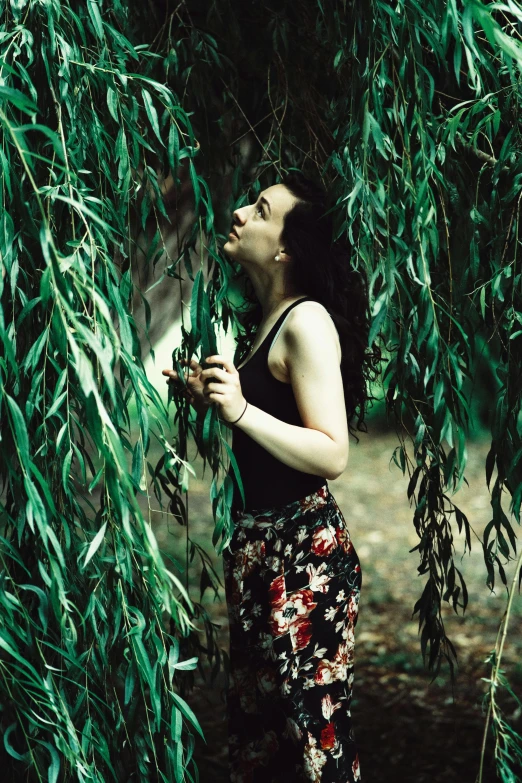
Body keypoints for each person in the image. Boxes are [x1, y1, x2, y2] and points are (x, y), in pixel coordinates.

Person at [162, 172, 381, 782]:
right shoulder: (268, 318)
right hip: (261, 552)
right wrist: (210, 396)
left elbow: (331, 452)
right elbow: (263, 432)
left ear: (286, 248)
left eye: (260, 210)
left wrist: (241, 410)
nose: (238, 213)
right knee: (262, 740)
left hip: (303, 557)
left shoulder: (305, 322)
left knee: (312, 740)